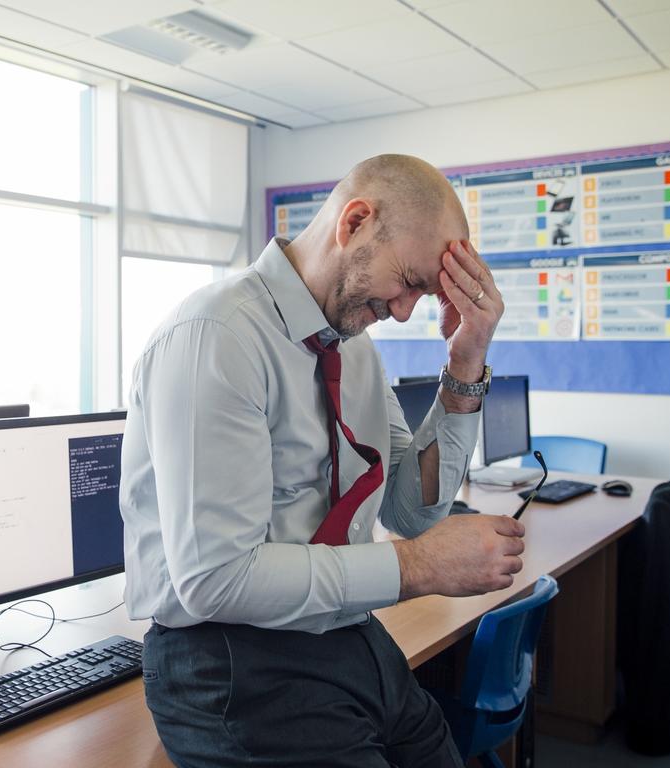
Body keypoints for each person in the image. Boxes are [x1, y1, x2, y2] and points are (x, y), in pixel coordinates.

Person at [119, 154, 525, 767]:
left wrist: (467, 360)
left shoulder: (353, 349)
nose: (404, 311)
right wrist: (416, 568)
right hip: (229, 659)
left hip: (344, 634)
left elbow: (412, 509)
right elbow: (214, 580)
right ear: (355, 221)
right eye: (410, 281)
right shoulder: (217, 336)